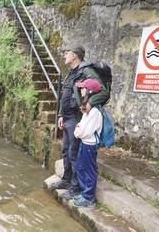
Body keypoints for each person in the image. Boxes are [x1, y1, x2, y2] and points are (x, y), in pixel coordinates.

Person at [51, 44, 109, 201]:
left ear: (75, 55)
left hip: (77, 118)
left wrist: (90, 103)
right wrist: (61, 114)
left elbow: (103, 91)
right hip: (68, 117)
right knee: (66, 151)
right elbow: (67, 94)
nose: (64, 55)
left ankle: (76, 188)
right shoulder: (71, 73)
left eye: (67, 53)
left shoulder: (86, 71)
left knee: (74, 153)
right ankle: (66, 179)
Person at [73, 78, 103, 208]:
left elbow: (85, 130)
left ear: (89, 91)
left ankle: (89, 198)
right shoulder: (88, 108)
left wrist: (78, 131)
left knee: (89, 171)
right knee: (80, 166)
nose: (81, 90)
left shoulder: (95, 111)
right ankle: (85, 193)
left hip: (90, 145)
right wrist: (78, 130)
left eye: (83, 88)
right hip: (85, 143)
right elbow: (81, 125)